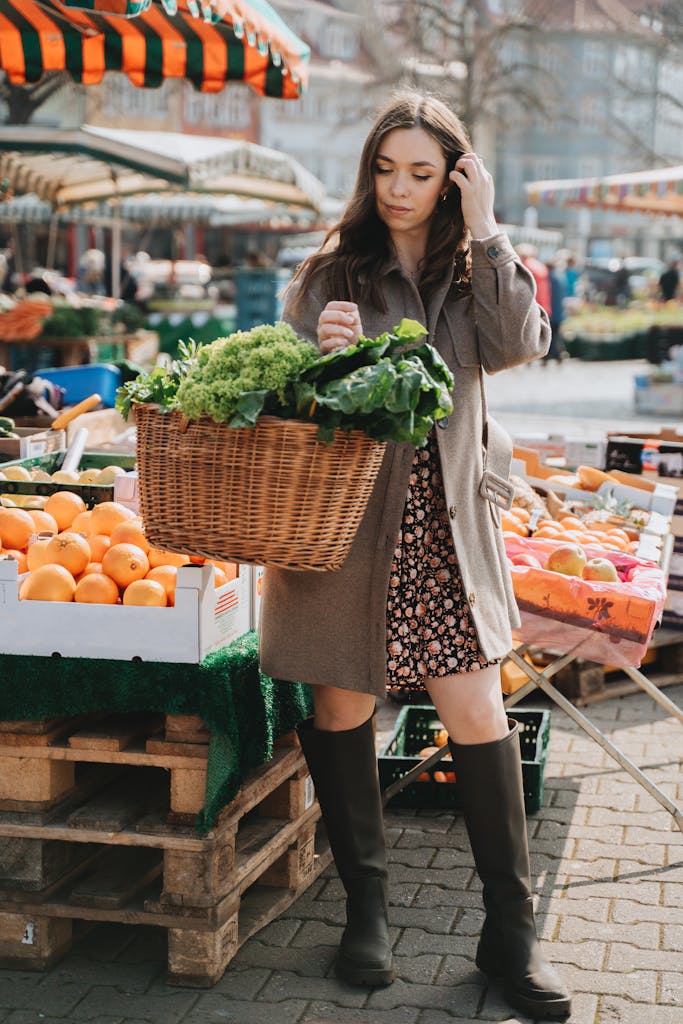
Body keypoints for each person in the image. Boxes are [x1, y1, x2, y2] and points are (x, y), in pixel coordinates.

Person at [259, 91, 570, 1021]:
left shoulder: (469, 266)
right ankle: (366, 908)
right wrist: (318, 359)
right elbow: (282, 404)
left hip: (444, 529)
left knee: (476, 710)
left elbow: (517, 345)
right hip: (347, 530)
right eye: (385, 169)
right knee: (342, 702)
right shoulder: (332, 269)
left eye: (422, 173)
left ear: (453, 179)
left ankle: (507, 934)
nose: (398, 189)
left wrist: (486, 231)